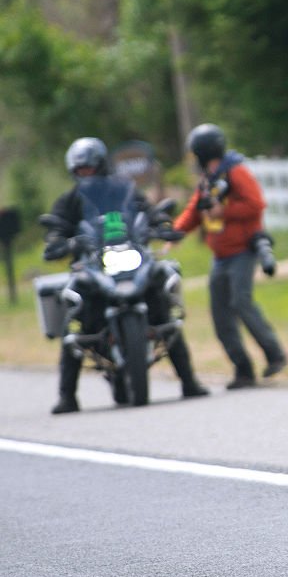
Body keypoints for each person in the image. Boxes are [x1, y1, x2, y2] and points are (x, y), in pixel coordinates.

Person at [43, 137, 209, 414]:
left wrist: (160, 225)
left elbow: (146, 211)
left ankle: (189, 381)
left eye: (90, 169)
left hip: (130, 254)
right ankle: (67, 396)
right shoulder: (71, 199)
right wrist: (60, 241)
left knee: (163, 308)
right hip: (92, 264)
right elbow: (57, 227)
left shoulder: (124, 188)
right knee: (74, 321)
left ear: (101, 165)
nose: (86, 174)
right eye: (81, 170)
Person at [173, 123, 287, 390]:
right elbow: (195, 208)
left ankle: (275, 354)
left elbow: (255, 204)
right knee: (220, 315)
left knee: (241, 302)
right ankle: (243, 370)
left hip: (242, 252)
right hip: (220, 256)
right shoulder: (209, 178)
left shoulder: (235, 172)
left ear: (201, 152)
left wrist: (222, 212)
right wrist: (176, 232)